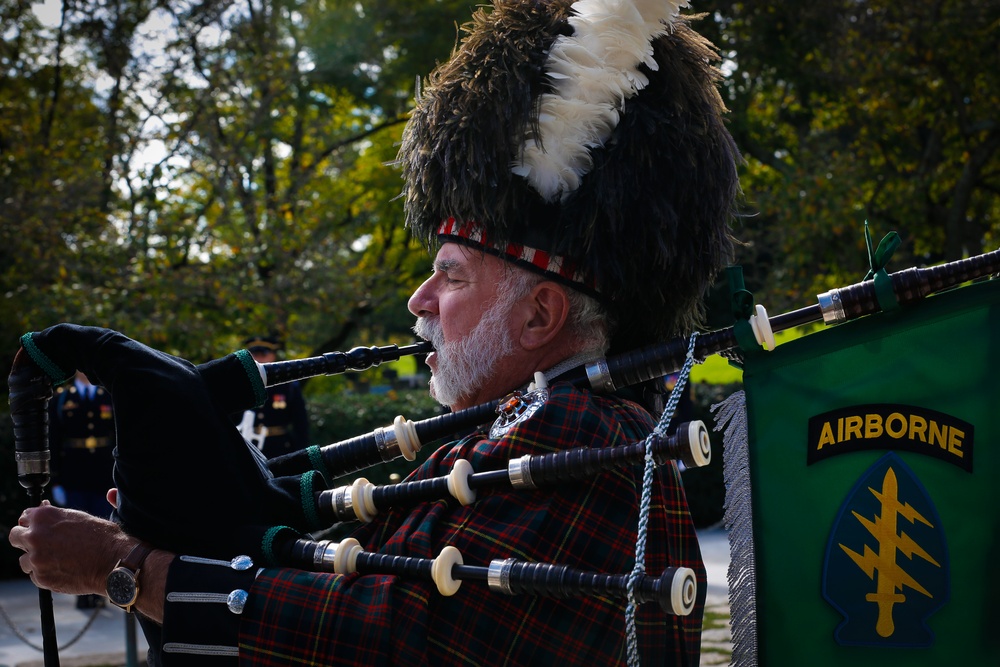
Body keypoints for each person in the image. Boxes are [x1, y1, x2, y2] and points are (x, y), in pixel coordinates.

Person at [10, 0, 741, 664]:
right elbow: (363, 580)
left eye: (452, 275)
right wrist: (200, 520)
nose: (420, 299)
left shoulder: (585, 436)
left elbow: (396, 637)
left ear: (540, 315)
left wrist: (131, 569)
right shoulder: (520, 433)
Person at [48, 370, 116, 608]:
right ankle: (80, 590)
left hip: (101, 475)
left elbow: (116, 437)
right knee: (75, 532)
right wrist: (55, 480)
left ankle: (99, 589)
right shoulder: (61, 398)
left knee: (102, 531)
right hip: (74, 475)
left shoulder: (105, 395)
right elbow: (54, 440)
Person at [237, 336, 310, 458]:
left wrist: (301, 455)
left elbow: (300, 423)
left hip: (279, 448)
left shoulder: (287, 385)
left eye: (263, 354)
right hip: (247, 447)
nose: (259, 359)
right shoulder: (239, 385)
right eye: (255, 354)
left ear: (273, 356)